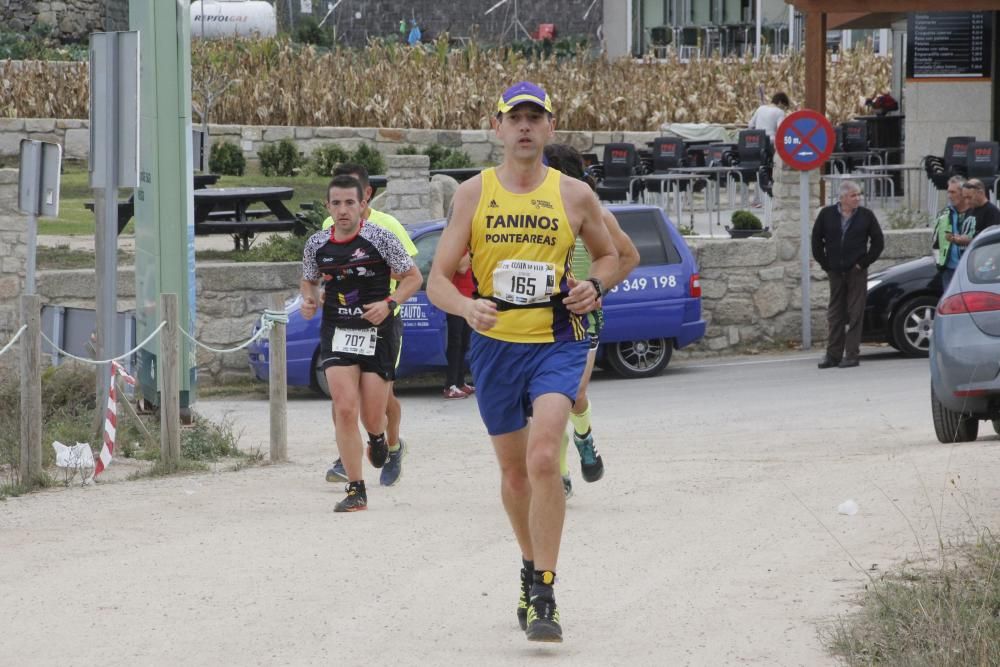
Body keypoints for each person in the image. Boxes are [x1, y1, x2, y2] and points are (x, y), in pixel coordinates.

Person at [426, 81, 618, 643]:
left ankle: (545, 592)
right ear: (499, 127)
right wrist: (466, 306)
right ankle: (529, 568)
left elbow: (611, 256)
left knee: (542, 459)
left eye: (536, 117)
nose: (527, 127)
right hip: (494, 348)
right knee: (513, 473)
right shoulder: (472, 193)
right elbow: (437, 280)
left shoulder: (575, 194)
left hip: (557, 341)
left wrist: (595, 286)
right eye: (517, 118)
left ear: (550, 128)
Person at [300, 175, 422, 512]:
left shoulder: (381, 238)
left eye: (349, 203)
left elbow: (413, 277)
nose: (342, 210)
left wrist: (390, 304)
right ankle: (356, 489)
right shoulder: (316, 244)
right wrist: (309, 300)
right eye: (336, 203)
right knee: (343, 407)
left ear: (363, 205)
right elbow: (308, 280)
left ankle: (378, 438)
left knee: (372, 416)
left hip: (378, 332)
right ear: (328, 207)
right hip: (338, 330)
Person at [541, 143, 640, 498]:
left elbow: (628, 257)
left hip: (583, 319)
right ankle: (560, 475)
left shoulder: (594, 213)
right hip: (538, 319)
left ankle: (584, 437)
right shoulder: (534, 213)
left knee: (573, 394)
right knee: (545, 402)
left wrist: (597, 288)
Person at [811, 180, 884, 369]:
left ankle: (852, 355)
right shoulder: (827, 214)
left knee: (855, 312)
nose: (857, 198)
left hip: (856, 271)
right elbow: (816, 241)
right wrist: (826, 264)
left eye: (859, 195)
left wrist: (863, 263)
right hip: (835, 271)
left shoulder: (866, 216)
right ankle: (832, 354)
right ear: (842, 197)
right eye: (853, 195)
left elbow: (878, 242)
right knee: (835, 313)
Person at [443, 250, 476, 399]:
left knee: (464, 344)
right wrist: (473, 250)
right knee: (455, 344)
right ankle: (450, 385)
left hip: (469, 299)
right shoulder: (462, 247)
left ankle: (460, 382)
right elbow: (461, 268)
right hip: (456, 300)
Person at [933, 175, 972, 288]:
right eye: (948, 192)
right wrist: (939, 263)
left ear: (963, 193)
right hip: (949, 270)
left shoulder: (975, 212)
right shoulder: (944, 214)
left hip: (970, 270)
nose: (949, 196)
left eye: (953, 192)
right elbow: (936, 241)